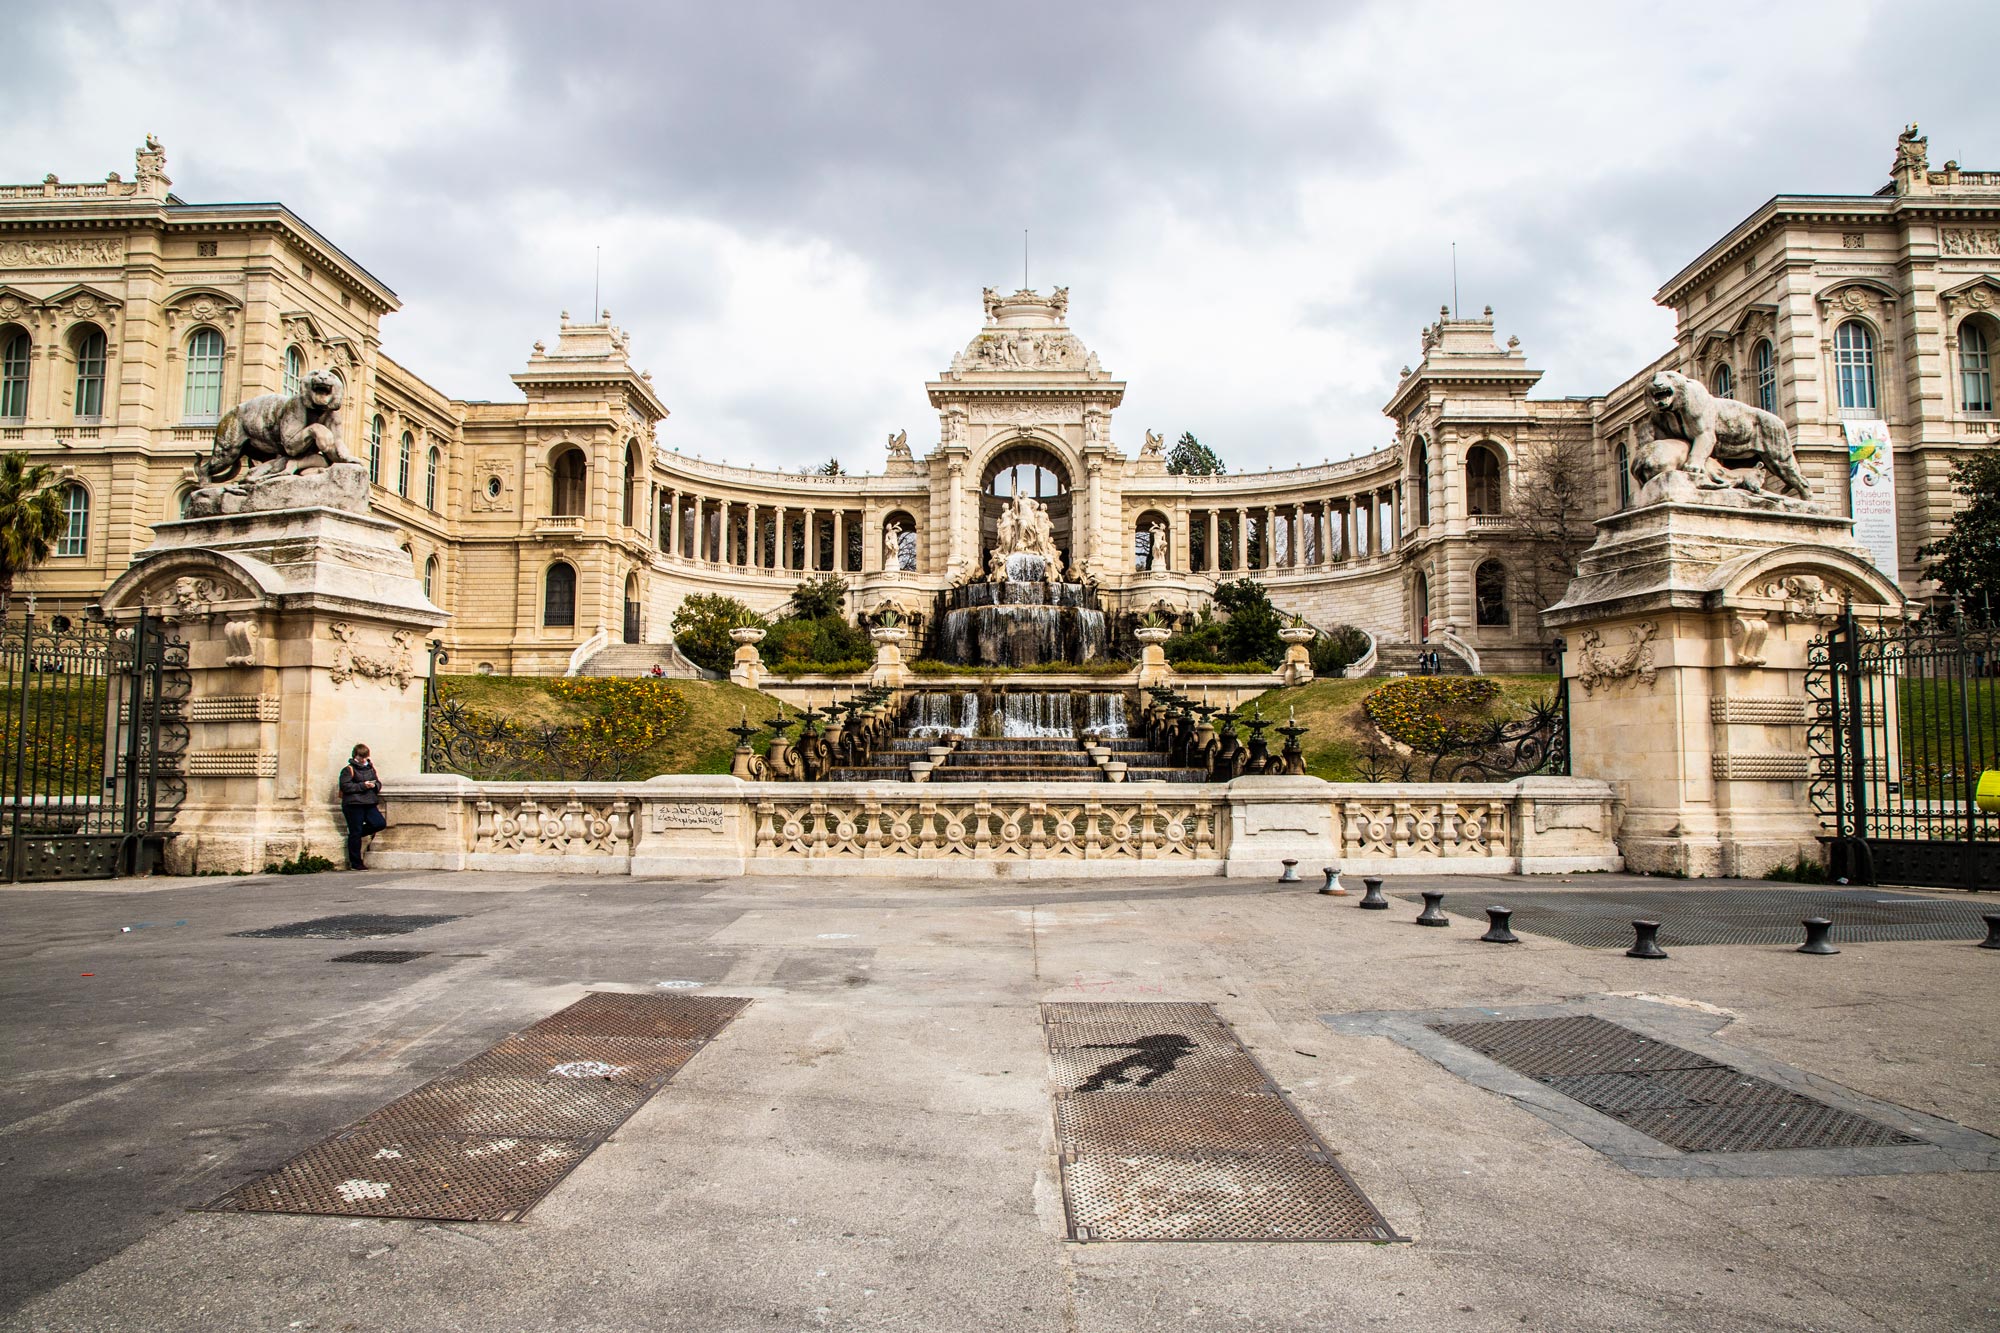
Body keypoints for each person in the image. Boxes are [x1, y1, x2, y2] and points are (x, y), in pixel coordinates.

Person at [338, 743, 386, 870]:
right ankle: (356, 863)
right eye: (361, 757)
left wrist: (375, 786)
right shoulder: (348, 770)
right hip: (353, 804)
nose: (363, 760)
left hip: (369, 802)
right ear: (355, 756)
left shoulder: (370, 768)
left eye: (365, 757)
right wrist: (363, 786)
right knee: (355, 831)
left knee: (379, 823)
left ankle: (355, 835)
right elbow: (345, 786)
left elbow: (378, 782)